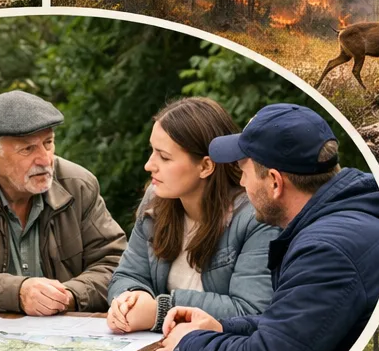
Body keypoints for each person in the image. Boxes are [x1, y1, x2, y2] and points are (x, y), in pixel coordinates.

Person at [155, 103, 379, 351]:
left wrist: (186, 344)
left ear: (275, 183)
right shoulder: (343, 219)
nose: (240, 183)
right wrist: (221, 327)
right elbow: (292, 329)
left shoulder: (325, 251)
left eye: (244, 172)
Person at [0, 90, 126, 314]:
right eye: (27, 148)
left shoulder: (79, 185)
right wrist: (17, 293)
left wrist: (71, 295)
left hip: (67, 333)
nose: (45, 160)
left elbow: (115, 262)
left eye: (48, 143)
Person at [105, 97, 278, 334]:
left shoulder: (255, 217)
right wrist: (130, 299)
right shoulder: (156, 200)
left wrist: (159, 310)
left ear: (206, 166)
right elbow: (127, 274)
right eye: (152, 151)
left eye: (164, 157)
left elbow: (251, 310)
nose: (149, 165)